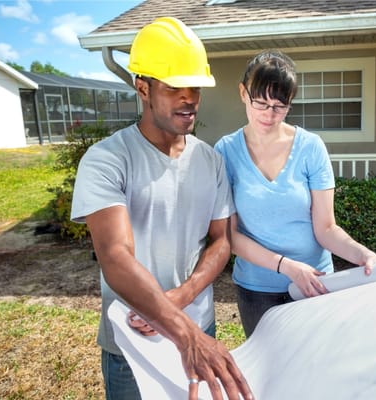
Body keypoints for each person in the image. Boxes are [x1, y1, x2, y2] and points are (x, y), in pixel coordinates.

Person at [71, 17, 252, 400]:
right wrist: (182, 332)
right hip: (133, 345)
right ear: (143, 87)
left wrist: (184, 298)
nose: (190, 98)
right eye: (175, 86)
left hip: (201, 330)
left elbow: (222, 240)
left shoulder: (211, 160)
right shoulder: (107, 159)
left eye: (195, 86)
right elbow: (115, 256)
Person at [214, 50, 376, 337]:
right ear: (243, 93)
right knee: (268, 376)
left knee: (314, 370)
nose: (269, 114)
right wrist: (287, 267)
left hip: (315, 285)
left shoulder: (310, 147)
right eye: (261, 103)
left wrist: (365, 256)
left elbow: (326, 228)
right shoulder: (226, 151)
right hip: (257, 290)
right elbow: (230, 236)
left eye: (280, 106)